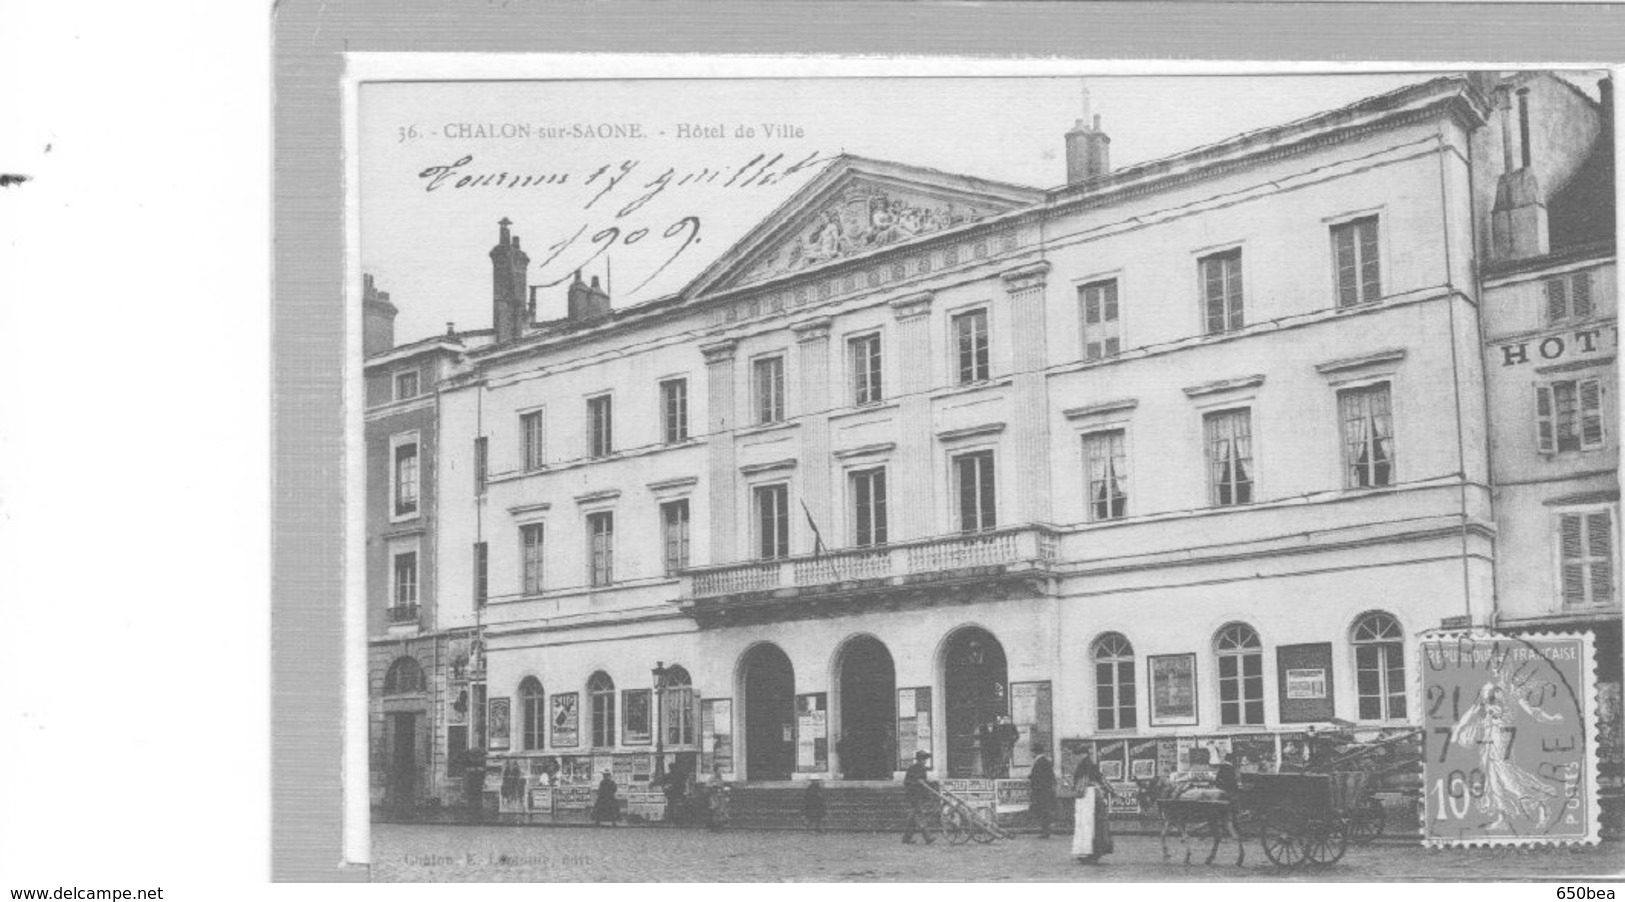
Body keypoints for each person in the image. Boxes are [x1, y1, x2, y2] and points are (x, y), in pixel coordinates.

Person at [1070, 751, 1115, 864]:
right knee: (1097, 826)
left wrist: (1075, 790)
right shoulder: (1091, 766)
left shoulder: (1083, 767)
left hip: (1088, 799)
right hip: (1093, 797)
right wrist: (1113, 792)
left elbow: (1080, 786)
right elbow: (1103, 781)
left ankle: (1088, 852)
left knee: (1088, 826)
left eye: (1079, 754)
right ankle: (1093, 852)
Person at [901, 750, 937, 844]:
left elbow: (924, 782)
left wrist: (934, 783)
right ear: (919, 759)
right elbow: (907, 782)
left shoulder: (922, 768)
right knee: (919, 815)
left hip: (919, 795)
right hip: (913, 795)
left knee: (913, 817)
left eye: (925, 759)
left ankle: (906, 838)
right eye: (923, 759)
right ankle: (927, 837)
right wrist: (917, 782)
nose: (925, 761)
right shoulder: (913, 768)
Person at [1028, 751, 1056, 839]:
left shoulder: (1039, 762)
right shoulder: (1045, 761)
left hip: (1041, 791)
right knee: (1044, 810)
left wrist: (1030, 777)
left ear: (1034, 751)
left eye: (1031, 752)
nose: (1031, 754)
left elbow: (1038, 776)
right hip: (1045, 790)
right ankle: (1046, 829)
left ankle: (1045, 831)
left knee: (1043, 810)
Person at [705, 766, 730, 831]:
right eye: (719, 770)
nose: (720, 772)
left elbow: (722, 785)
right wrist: (714, 786)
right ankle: (714, 825)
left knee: (721, 810)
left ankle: (720, 825)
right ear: (716, 771)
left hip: (720, 795)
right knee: (715, 809)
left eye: (721, 771)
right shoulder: (712, 778)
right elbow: (708, 785)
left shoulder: (720, 778)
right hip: (714, 796)